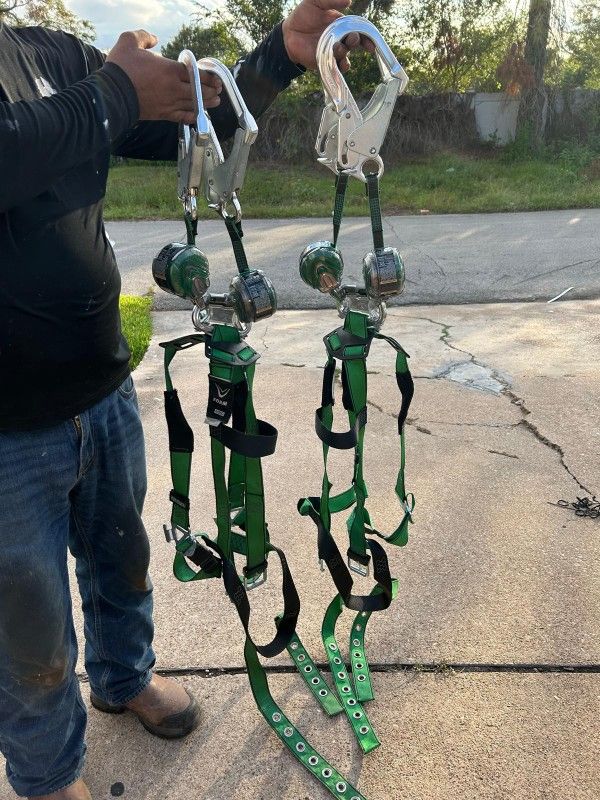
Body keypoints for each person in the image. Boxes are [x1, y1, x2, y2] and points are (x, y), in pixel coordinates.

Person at [0, 1, 369, 798]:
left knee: (121, 558)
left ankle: (124, 676)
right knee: (27, 623)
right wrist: (114, 92)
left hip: (99, 386)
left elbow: (188, 124)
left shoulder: (47, 55)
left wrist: (280, 55)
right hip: (6, 431)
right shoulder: (86, 82)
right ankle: (47, 772)